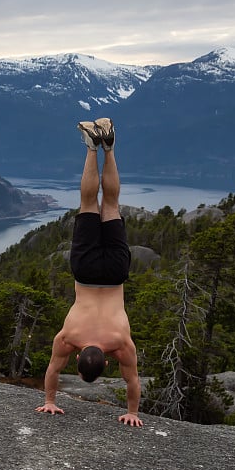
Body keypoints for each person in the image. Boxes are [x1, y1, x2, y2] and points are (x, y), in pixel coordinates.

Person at [35, 117, 143, 427]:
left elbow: (133, 382)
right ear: (77, 359)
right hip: (84, 271)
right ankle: (90, 146)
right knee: (87, 202)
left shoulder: (121, 343)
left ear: (107, 362)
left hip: (114, 274)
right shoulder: (69, 338)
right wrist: (49, 401)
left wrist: (133, 412)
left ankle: (107, 147)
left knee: (110, 204)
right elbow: (54, 371)